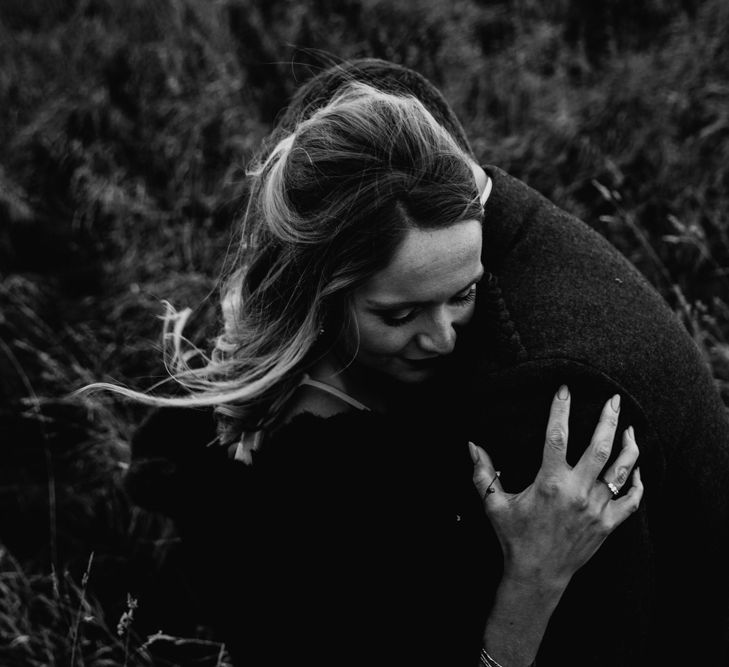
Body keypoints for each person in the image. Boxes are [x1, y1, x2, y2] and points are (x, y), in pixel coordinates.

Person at [111, 61, 729, 666]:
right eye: (401, 315)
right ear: (320, 293)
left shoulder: (339, 363)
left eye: (462, 295)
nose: (443, 339)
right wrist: (534, 578)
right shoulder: (323, 488)